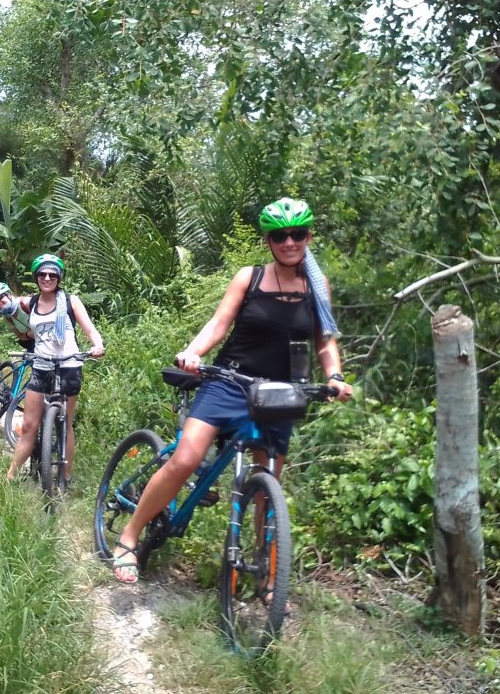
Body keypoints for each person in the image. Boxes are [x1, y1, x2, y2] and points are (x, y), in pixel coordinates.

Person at [111, 197, 353, 584]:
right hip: (230, 381)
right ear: (267, 241)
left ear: (309, 236)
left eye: (298, 234)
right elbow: (218, 325)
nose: (289, 242)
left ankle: (268, 575)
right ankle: (129, 536)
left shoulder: (318, 285)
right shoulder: (250, 277)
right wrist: (193, 352)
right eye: (279, 236)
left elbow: (324, 341)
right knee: (187, 457)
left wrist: (336, 377)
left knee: (266, 486)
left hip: (280, 393)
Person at [6, 254, 105, 483]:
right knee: (30, 424)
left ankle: (65, 477)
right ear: (36, 277)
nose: (47, 278)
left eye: (52, 274)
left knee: (66, 423)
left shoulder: (71, 301)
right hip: (41, 365)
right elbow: (9, 305)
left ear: (59, 277)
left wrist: (97, 345)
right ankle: (10, 475)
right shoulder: (30, 303)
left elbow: (89, 329)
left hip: (69, 364)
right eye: (42, 274)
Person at [0, 282, 35, 352]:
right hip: (33, 344)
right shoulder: (8, 318)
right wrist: (29, 335)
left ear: (9, 295)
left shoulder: (26, 303)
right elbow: (20, 336)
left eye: (0, 297)